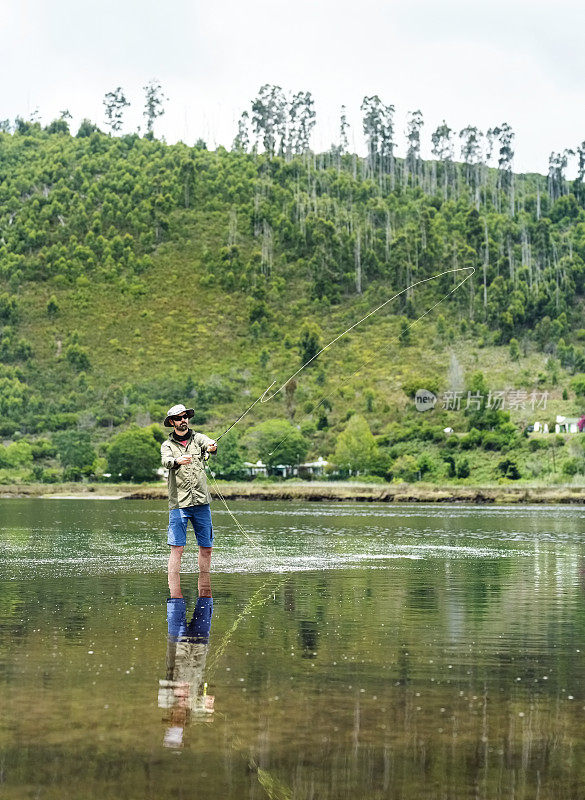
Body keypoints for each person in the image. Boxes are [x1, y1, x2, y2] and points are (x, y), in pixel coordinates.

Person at [161, 404, 217, 600]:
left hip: (201, 502)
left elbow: (208, 443)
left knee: (207, 547)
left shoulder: (198, 438)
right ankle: (175, 597)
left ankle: (205, 591)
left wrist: (212, 446)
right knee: (178, 548)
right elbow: (166, 461)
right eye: (178, 418)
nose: (183, 420)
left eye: (185, 417)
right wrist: (178, 461)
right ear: (172, 423)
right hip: (179, 504)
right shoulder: (167, 446)